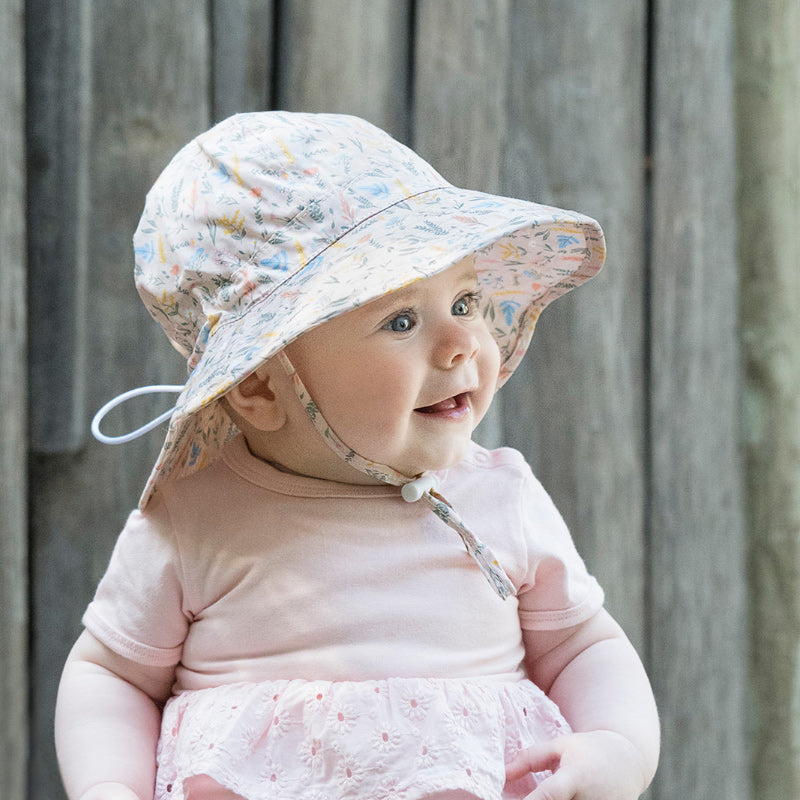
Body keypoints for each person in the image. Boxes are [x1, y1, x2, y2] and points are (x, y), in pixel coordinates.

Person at [55, 111, 659, 800]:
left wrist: (617, 746)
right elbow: (112, 674)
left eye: (465, 300)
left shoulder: (501, 500)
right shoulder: (193, 520)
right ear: (258, 383)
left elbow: (585, 647)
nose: (462, 343)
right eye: (402, 320)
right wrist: (109, 785)